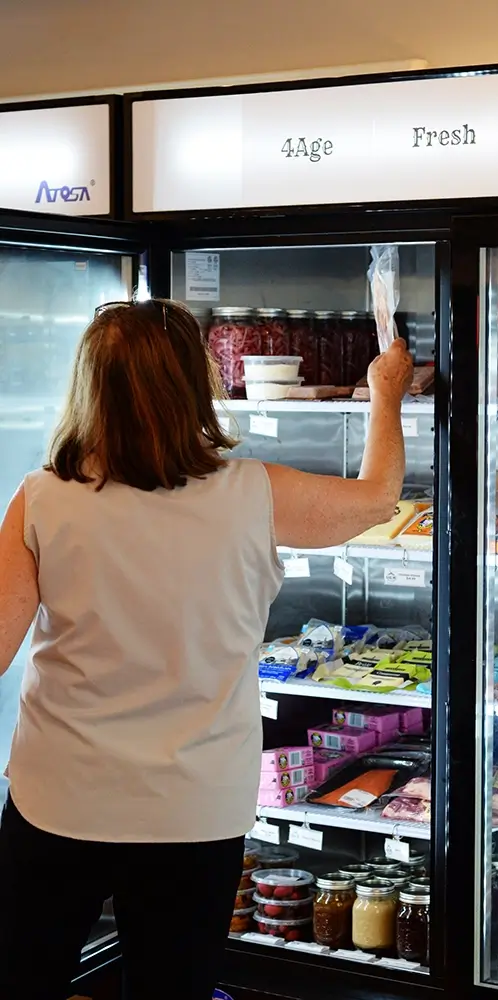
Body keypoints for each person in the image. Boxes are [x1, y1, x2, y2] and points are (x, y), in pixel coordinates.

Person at [0, 298, 413, 1000]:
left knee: (20, 978)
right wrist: (384, 393)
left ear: (88, 385)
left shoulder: (41, 498)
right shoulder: (254, 493)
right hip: (195, 803)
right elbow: (378, 499)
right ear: (197, 384)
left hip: (60, 794)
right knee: (173, 987)